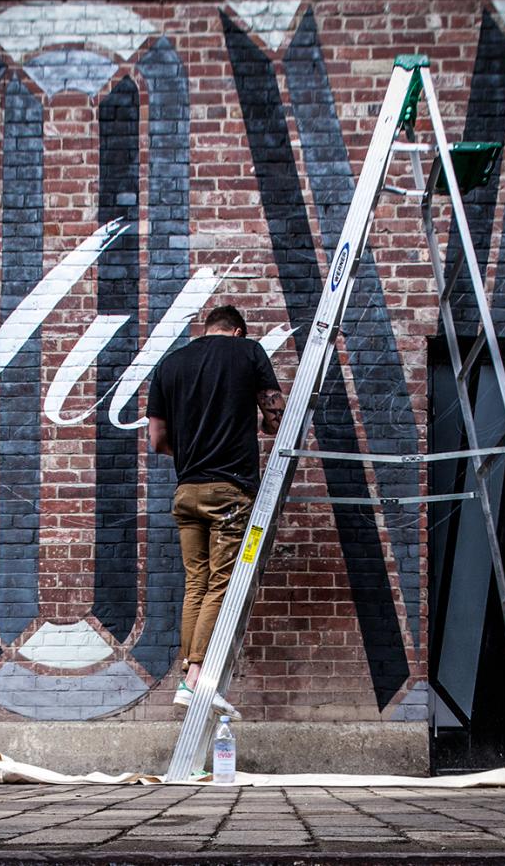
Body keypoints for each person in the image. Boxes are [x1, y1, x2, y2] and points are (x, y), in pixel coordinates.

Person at [147, 304, 284, 718]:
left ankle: (188, 674)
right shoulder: (248, 353)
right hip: (229, 491)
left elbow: (156, 439)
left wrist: (192, 452)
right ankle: (195, 679)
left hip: (186, 491)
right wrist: (264, 424)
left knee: (196, 584)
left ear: (206, 328)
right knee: (221, 585)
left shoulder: (170, 365)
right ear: (237, 331)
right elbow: (276, 415)